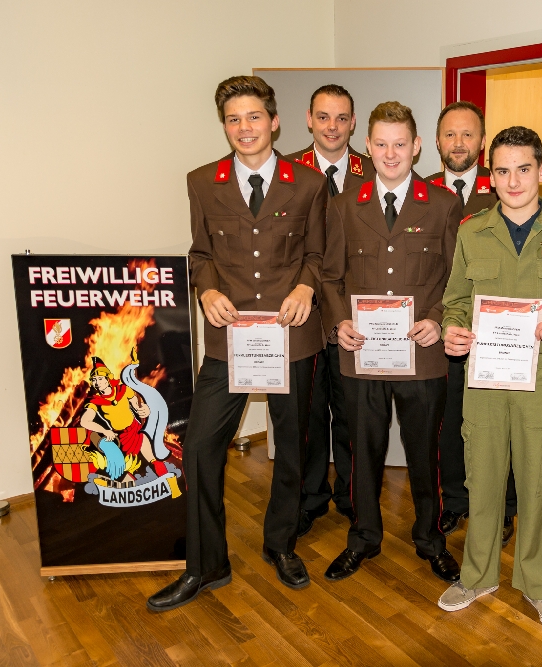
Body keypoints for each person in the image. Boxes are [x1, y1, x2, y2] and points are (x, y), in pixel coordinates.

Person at [147, 75, 328, 610]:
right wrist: (205, 290)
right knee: (199, 446)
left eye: (254, 117)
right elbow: (200, 254)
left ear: (274, 121)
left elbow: (319, 254)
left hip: (291, 337)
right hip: (230, 340)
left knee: (292, 447)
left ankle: (281, 544)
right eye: (233, 119)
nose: (244, 128)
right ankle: (206, 566)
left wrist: (306, 286)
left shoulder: (309, 183)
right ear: (224, 126)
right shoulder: (203, 181)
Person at [438, 126, 542, 633]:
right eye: (503, 171)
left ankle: (538, 585)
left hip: (541, 381)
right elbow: (455, 301)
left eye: (524, 169)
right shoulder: (472, 231)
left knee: (535, 486)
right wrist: (452, 330)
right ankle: (477, 575)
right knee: (482, 480)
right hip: (484, 381)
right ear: (491, 177)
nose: (513, 181)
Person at [320, 101, 461, 583]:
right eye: (381, 144)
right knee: (361, 452)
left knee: (426, 455)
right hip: (362, 354)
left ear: (417, 146)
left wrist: (439, 318)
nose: (391, 153)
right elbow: (330, 277)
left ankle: (431, 540)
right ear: (367, 146)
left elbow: (458, 277)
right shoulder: (344, 205)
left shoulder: (443, 204)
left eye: (400, 144)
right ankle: (363, 537)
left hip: (422, 354)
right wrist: (339, 322)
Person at [284, 84, 375, 536]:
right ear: (309, 119)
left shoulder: (374, 171)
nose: (332, 127)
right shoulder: (285, 173)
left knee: (353, 412)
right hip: (301, 317)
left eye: (341, 118)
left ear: (353, 122)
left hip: (353, 317)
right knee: (307, 414)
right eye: (323, 117)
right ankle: (310, 496)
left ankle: (354, 497)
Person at [425, 101, 516, 545]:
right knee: (447, 423)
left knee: (498, 426)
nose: (458, 143)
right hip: (441, 332)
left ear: (482, 141)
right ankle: (455, 501)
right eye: (450, 134)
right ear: (436, 141)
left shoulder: (504, 187)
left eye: (467, 134)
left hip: (494, 333)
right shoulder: (420, 191)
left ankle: (502, 506)